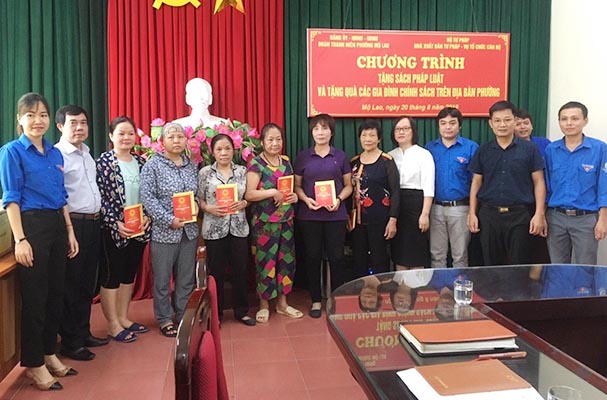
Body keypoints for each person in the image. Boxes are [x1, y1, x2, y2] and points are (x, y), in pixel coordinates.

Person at [0, 93, 78, 390]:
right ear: (19, 119)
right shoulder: (12, 152)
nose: (37, 120)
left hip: (57, 223)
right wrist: (20, 239)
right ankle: (33, 363)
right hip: (31, 226)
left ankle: (48, 352)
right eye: (30, 115)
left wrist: (69, 230)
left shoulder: (54, 153)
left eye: (43, 114)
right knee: (35, 298)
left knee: (55, 293)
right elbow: (11, 199)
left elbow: (61, 196)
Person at [54, 105, 107, 361]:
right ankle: (71, 342)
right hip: (73, 225)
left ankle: (84, 332)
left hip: (93, 223)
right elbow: (60, 196)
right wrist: (69, 231)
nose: (79, 128)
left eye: (83, 122)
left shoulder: (86, 153)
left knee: (87, 282)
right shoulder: (57, 155)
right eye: (73, 123)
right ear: (60, 126)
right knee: (72, 284)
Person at [467, 100, 547, 265]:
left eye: (507, 120)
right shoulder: (483, 150)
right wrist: (472, 213)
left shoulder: (530, 149)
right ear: (491, 123)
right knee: (490, 265)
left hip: (520, 215)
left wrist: (539, 214)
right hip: (489, 215)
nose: (502, 125)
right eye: (497, 120)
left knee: (519, 265)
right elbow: (476, 183)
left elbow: (539, 182)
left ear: (514, 121)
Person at [140, 122, 199, 337]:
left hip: (189, 231)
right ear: (162, 141)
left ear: (186, 140)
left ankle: (183, 314)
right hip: (164, 232)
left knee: (186, 278)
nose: (176, 140)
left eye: (180, 137)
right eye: (171, 137)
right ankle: (164, 318)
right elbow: (148, 198)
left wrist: (196, 206)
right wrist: (168, 219)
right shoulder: (153, 165)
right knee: (163, 279)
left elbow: (197, 194)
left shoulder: (191, 165)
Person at [97, 116, 151, 343]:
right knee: (112, 275)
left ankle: (123, 317)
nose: (126, 137)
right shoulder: (103, 163)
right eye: (121, 133)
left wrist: (148, 216)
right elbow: (98, 197)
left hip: (139, 228)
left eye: (130, 133)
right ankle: (112, 324)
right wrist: (114, 223)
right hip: (114, 229)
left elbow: (149, 193)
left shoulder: (141, 162)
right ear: (111, 136)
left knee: (129, 273)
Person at [294, 114, 352, 318]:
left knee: (337, 258)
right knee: (312, 258)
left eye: (325, 128)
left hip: (336, 216)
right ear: (311, 132)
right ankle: (316, 300)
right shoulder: (303, 157)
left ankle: (336, 299)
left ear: (331, 132)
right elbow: (297, 186)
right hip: (309, 216)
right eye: (316, 128)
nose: (320, 132)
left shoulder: (341, 156)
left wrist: (338, 199)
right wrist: (306, 200)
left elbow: (348, 186)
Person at [245, 123, 302, 323]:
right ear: (262, 142)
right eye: (270, 139)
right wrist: (271, 192)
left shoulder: (286, 162)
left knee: (286, 262)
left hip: (286, 221)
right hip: (265, 224)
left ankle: (282, 304)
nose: (275, 143)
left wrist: (294, 196)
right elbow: (249, 194)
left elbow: (290, 189)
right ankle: (264, 304)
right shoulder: (256, 163)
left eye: (278, 139)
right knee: (265, 263)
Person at [198, 133, 255, 326]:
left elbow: (249, 196)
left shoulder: (242, 171)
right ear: (213, 152)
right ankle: (217, 314)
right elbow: (199, 199)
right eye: (219, 149)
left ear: (234, 150)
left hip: (239, 228)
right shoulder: (205, 173)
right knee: (216, 273)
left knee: (241, 270)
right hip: (214, 230)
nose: (224, 153)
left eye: (227, 148)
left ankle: (242, 311)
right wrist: (208, 208)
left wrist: (244, 203)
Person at [544, 101, 607, 264]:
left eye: (575, 118)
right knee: (558, 267)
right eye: (564, 119)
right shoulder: (551, 150)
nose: (569, 123)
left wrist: (603, 220)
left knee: (585, 268)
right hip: (555, 218)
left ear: (585, 121)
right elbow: (546, 186)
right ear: (559, 122)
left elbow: (604, 186)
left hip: (586, 219)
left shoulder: (600, 149)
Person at [426, 107, 478, 268]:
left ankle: (460, 285)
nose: (447, 127)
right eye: (443, 123)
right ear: (438, 126)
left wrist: (472, 212)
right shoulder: (429, 148)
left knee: (460, 256)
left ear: (459, 125)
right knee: (437, 255)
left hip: (460, 209)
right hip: (435, 208)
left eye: (452, 123)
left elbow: (476, 182)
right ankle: (438, 285)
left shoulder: (471, 147)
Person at [350, 119, 400, 278]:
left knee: (380, 259)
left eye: (372, 135)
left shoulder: (386, 161)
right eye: (364, 135)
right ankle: (360, 292)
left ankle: (382, 292)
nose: (367, 139)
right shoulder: (354, 162)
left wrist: (393, 219)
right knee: (358, 260)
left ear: (379, 139)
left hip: (380, 220)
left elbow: (395, 191)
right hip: (357, 222)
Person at [388, 116, 434, 269]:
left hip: (416, 205)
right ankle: (400, 283)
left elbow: (428, 186)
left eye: (406, 129)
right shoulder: (390, 156)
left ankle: (416, 284)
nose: (401, 132)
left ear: (413, 131)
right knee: (399, 251)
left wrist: (425, 214)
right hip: (396, 205)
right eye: (398, 129)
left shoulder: (424, 154)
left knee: (416, 252)